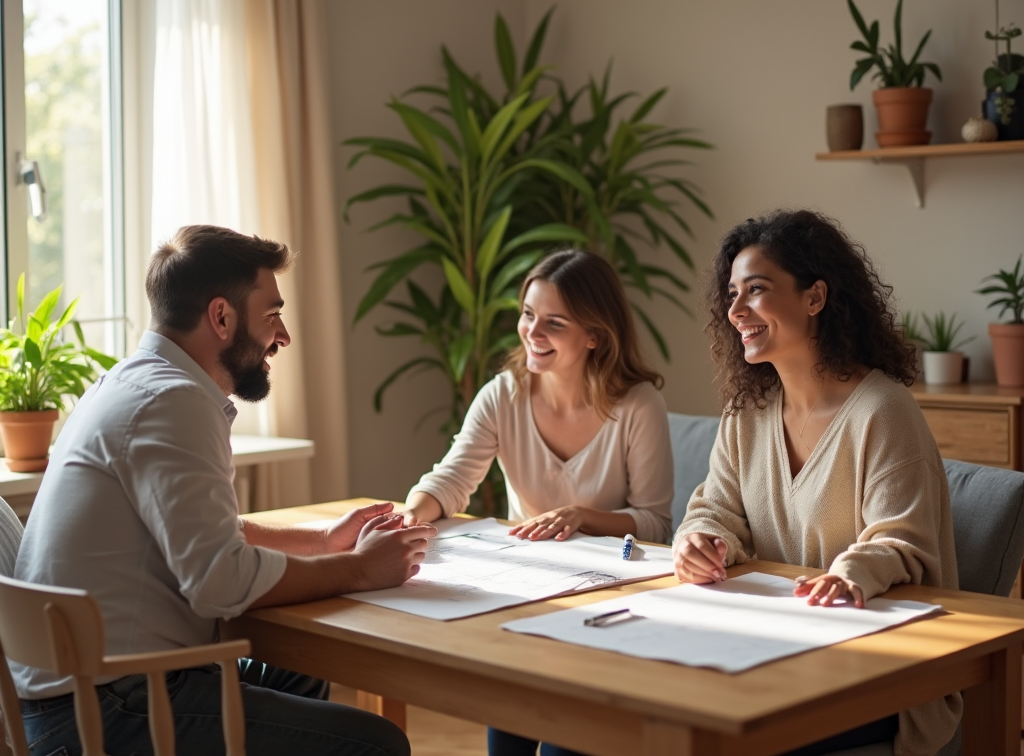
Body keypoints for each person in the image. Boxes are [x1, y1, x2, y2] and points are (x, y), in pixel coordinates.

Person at [12, 224, 436, 756]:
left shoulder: (126, 383)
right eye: (272, 315)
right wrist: (361, 568)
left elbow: (206, 534)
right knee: (376, 743)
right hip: (110, 710)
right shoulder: (173, 403)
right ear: (221, 317)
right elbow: (219, 581)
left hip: (77, 696)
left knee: (292, 673)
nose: (282, 336)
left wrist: (326, 540)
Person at [673, 210, 959, 756]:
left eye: (756, 290)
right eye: (732, 294)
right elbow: (714, 508)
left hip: (881, 672)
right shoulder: (747, 413)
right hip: (776, 651)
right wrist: (701, 541)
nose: (736, 311)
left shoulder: (883, 410)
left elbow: (901, 542)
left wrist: (849, 575)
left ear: (815, 297)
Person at [401, 249, 674, 756]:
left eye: (554, 322)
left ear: (594, 335)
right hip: (526, 596)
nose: (532, 332)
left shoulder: (637, 406)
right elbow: (452, 477)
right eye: (528, 315)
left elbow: (656, 525)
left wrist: (583, 517)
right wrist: (410, 514)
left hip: (608, 603)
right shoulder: (503, 395)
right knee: (511, 725)